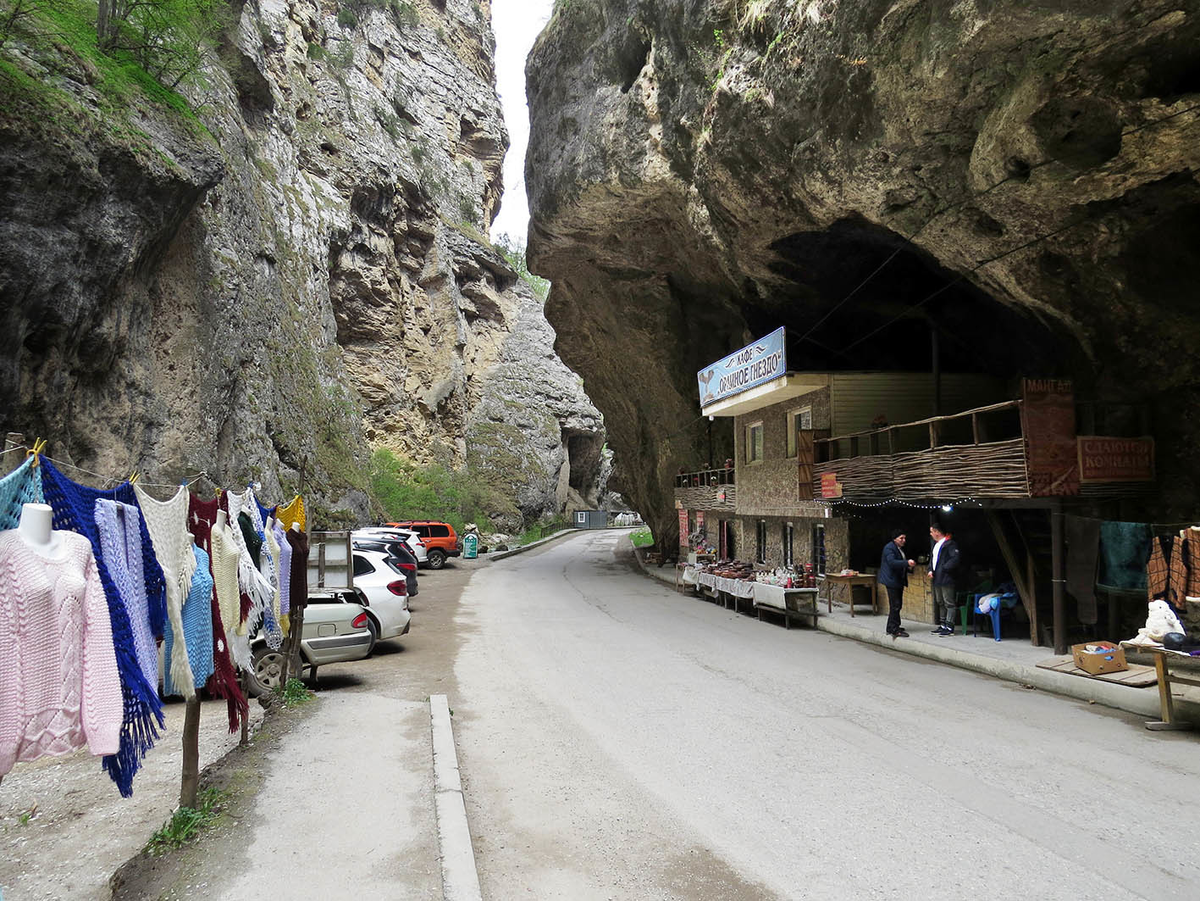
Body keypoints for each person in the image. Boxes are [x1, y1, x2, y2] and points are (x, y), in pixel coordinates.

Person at [879, 529, 915, 637]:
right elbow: (892, 562)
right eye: (901, 538)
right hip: (892, 580)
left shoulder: (898, 549)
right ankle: (893, 629)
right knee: (895, 605)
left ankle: (893, 625)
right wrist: (906, 562)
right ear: (895, 539)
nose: (904, 540)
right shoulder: (890, 548)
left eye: (904, 538)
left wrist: (907, 566)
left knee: (897, 605)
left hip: (897, 580)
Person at [928, 524, 962, 636]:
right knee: (940, 601)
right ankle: (942, 624)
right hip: (937, 577)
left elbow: (955, 559)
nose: (931, 534)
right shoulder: (936, 544)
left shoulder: (950, 544)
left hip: (947, 577)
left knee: (949, 602)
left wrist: (944, 568)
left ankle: (950, 626)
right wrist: (930, 569)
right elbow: (933, 559)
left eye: (932, 531)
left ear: (937, 532)